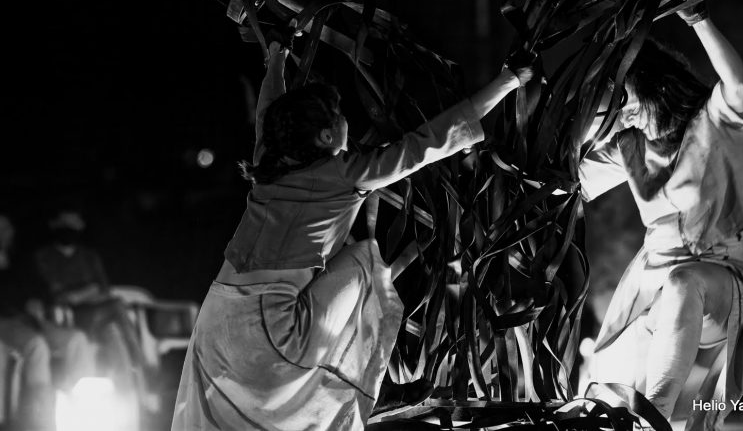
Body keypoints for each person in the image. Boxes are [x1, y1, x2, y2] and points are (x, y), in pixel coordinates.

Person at [171, 40, 532, 430]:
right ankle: (373, 381)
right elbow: (429, 142)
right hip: (272, 330)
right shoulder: (345, 174)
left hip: (215, 325)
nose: (347, 122)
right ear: (327, 137)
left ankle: (371, 380)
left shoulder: (268, 163)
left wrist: (275, 60)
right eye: (340, 117)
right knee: (365, 261)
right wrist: (509, 81)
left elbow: (267, 112)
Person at [579, 1, 743, 430]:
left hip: (722, 281)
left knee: (684, 282)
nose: (625, 114)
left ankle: (656, 416)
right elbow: (567, 181)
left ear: (654, 85)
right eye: (617, 106)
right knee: (607, 394)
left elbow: (738, 83)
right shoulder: (629, 145)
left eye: (628, 100)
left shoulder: (715, 123)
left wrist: (696, 17)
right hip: (653, 291)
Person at [0, 213, 96, 430]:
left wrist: (39, 300)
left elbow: (40, 286)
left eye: (8, 229)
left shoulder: (20, 259)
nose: (7, 233)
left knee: (77, 340)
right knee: (37, 346)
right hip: (5, 320)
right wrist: (21, 303)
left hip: (32, 318)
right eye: (2, 229)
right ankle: (41, 415)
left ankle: (83, 410)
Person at [33, 210, 146, 394]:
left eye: (74, 224)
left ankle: (127, 392)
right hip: (68, 317)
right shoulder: (45, 257)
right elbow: (57, 293)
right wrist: (86, 291)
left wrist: (83, 293)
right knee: (117, 306)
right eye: (65, 224)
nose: (70, 229)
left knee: (114, 335)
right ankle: (142, 363)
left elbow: (103, 288)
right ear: (55, 226)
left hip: (97, 314)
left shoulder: (89, 256)